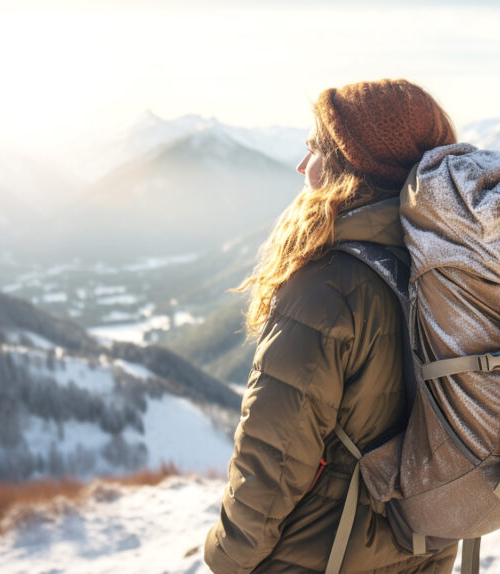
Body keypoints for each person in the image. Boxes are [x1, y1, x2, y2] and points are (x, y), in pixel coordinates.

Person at [204, 79, 460, 574]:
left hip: (325, 553)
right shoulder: (449, 267)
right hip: (426, 543)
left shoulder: (325, 286)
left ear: (353, 165)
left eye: (315, 148)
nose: (303, 167)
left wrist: (226, 557)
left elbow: (273, 460)